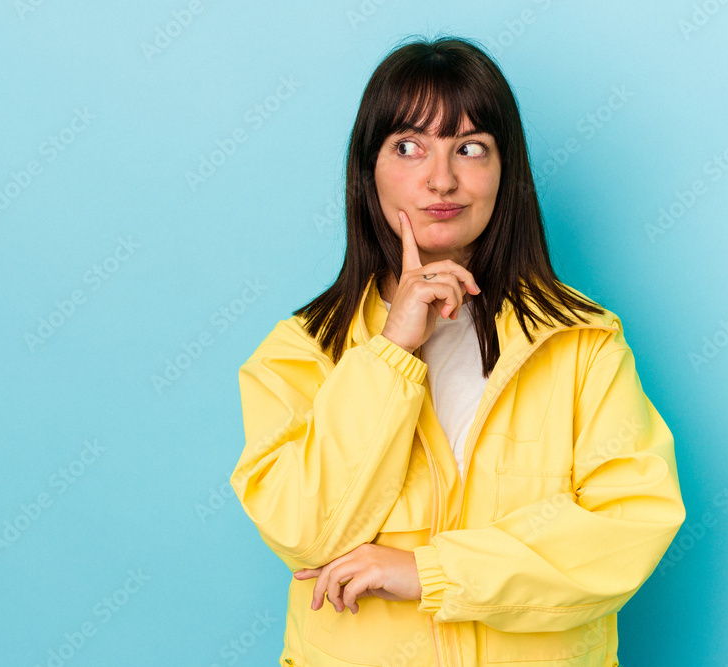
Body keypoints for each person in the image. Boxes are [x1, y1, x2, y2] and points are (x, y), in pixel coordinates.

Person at [230, 34, 685, 667]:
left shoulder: (582, 341)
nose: (441, 179)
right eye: (408, 147)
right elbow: (305, 535)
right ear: (367, 172)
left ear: (506, 172)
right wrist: (392, 350)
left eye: (470, 148)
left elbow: (630, 525)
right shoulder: (301, 351)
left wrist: (432, 571)